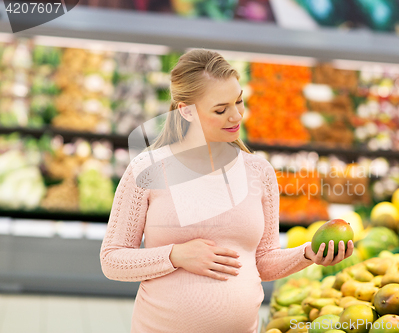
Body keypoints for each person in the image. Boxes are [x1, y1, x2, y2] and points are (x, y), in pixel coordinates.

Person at [100, 49, 354, 333]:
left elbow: (263, 262)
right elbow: (112, 260)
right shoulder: (146, 170)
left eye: (239, 101)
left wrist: (308, 254)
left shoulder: (259, 172)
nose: (236, 116)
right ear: (186, 111)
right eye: (221, 109)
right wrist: (175, 255)